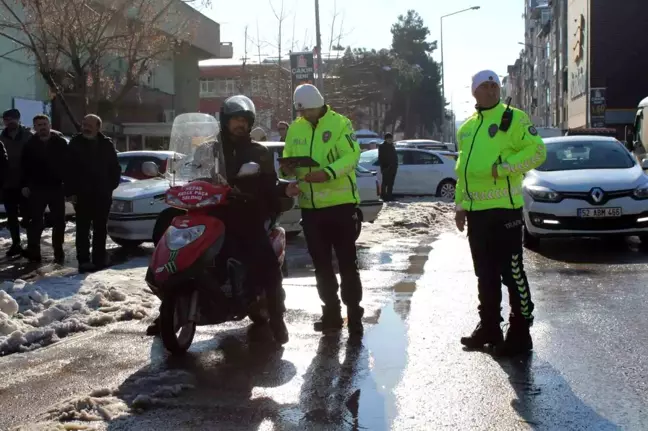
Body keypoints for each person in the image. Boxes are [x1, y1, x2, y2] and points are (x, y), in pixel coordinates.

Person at [147, 96, 297, 345]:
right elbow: (190, 173)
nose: (240, 124)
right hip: (211, 211)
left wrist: (285, 190)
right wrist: (176, 186)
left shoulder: (258, 152)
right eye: (235, 120)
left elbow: (269, 185)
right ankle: (168, 310)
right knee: (172, 239)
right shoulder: (208, 149)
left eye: (244, 120)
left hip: (245, 214)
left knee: (267, 264)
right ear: (225, 121)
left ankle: (277, 319)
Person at [455, 70, 546, 357]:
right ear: (474, 92)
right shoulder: (467, 128)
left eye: (496, 85)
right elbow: (462, 172)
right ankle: (490, 327)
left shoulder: (514, 118)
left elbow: (538, 152)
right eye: (486, 85)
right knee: (485, 274)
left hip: (505, 211)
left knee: (512, 272)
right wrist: (460, 205)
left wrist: (505, 167)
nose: (493, 89)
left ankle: (520, 331)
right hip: (477, 214)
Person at [281, 84, 364, 337]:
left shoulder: (340, 124)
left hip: (341, 207)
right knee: (321, 265)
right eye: (302, 111)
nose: (305, 115)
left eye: (308, 110)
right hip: (311, 208)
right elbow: (288, 158)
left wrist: (327, 173)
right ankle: (331, 314)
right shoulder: (296, 128)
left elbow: (352, 156)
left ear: (319, 105)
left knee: (347, 263)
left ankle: (355, 314)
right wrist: (287, 172)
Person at [66, 114, 121, 273]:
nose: (86, 127)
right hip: (82, 195)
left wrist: (110, 186)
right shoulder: (75, 143)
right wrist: (71, 192)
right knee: (82, 229)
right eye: (84, 124)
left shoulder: (106, 144)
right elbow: (67, 169)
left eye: (89, 124)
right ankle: (83, 260)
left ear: (98, 127)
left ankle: (99, 259)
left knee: (100, 229)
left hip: (102, 195)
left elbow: (115, 168)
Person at [21, 114, 68, 263]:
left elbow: (70, 165)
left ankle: (58, 251)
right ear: (35, 128)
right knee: (35, 222)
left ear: (49, 124)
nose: (42, 127)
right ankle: (34, 252)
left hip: (56, 187)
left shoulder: (60, 142)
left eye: (44, 124)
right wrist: (25, 185)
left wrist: (69, 185)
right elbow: (24, 167)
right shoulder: (29, 145)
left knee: (59, 221)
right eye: (39, 125)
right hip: (37, 188)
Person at [0, 109, 33, 257]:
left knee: (28, 216)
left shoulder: (28, 136)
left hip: (25, 182)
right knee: (11, 216)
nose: (9, 122)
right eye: (6, 119)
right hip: (7, 183)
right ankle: (16, 244)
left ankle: (32, 245)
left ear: (18, 119)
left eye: (12, 119)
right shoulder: (1, 137)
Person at [378, 133, 398, 201]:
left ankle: (389, 196)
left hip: (393, 168)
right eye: (389, 139)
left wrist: (395, 166)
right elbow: (381, 158)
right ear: (386, 139)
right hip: (386, 168)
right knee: (385, 183)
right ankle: (383, 196)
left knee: (391, 183)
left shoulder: (392, 146)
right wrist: (384, 167)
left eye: (391, 139)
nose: (390, 140)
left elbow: (394, 157)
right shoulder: (382, 146)